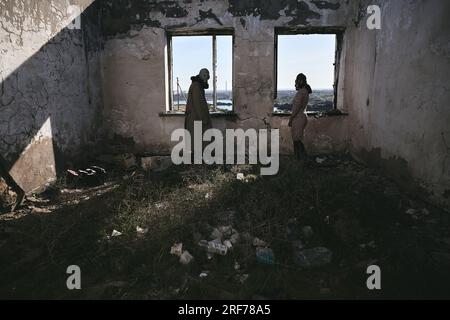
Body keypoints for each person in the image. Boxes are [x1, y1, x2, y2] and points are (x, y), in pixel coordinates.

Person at [184, 68, 212, 160]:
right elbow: (198, 104)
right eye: (205, 76)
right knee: (198, 141)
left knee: (197, 140)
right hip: (197, 119)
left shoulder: (197, 85)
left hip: (196, 118)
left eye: (207, 76)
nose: (206, 79)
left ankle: (198, 161)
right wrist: (204, 119)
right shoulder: (197, 86)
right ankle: (198, 162)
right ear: (201, 75)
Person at [288, 73, 312, 163]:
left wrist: (291, 119)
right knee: (298, 140)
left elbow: (296, 109)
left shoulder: (301, 92)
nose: (296, 82)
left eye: (297, 80)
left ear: (300, 81)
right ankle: (302, 159)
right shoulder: (305, 91)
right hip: (302, 117)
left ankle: (301, 159)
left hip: (298, 118)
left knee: (297, 141)